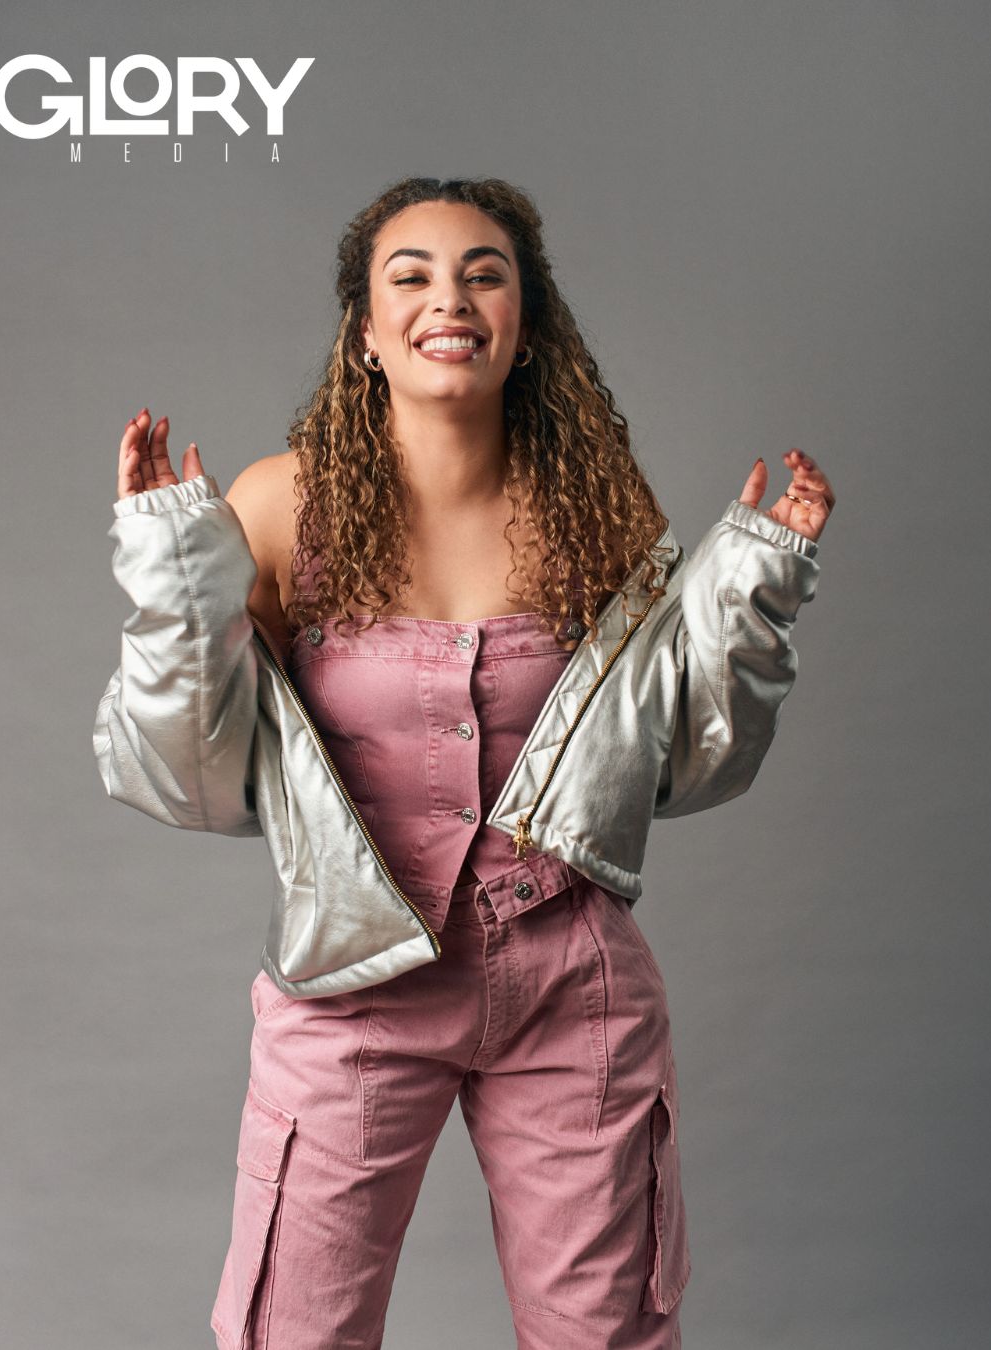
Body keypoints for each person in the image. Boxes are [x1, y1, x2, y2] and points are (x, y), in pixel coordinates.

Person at [94, 175, 835, 1350]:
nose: (453, 299)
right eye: (414, 276)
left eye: (486, 273)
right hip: (352, 990)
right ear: (368, 333)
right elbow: (190, 772)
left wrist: (753, 594)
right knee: (295, 1332)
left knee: (608, 1336)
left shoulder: (597, 509)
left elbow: (682, 764)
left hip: (572, 982)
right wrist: (169, 577)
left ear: (527, 326)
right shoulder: (280, 505)